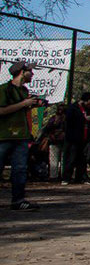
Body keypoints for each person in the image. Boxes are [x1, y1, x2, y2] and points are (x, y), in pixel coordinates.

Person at [0, 61, 45, 211]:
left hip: (21, 136)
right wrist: (24, 104)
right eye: (30, 71)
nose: (32, 74)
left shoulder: (24, 91)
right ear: (21, 72)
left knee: (20, 169)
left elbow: (23, 106)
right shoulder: (4, 89)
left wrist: (34, 104)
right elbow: (2, 111)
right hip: (4, 136)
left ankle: (18, 200)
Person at [63, 92, 90, 185]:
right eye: (89, 101)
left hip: (83, 138)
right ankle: (66, 178)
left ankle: (79, 178)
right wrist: (84, 119)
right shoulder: (73, 108)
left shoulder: (87, 109)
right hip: (73, 138)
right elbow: (69, 120)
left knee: (82, 159)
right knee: (71, 158)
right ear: (85, 100)